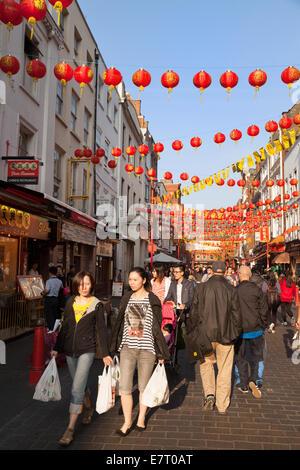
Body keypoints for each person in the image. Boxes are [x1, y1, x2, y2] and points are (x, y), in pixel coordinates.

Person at [51, 271, 112, 446]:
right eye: (80, 284)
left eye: (87, 283)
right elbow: (65, 327)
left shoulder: (97, 304)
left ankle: (70, 428)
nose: (83, 287)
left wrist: (106, 353)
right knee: (80, 384)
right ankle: (89, 406)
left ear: (91, 284)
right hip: (70, 350)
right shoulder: (70, 302)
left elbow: (101, 330)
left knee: (76, 388)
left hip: (87, 350)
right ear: (76, 285)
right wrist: (56, 348)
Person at [110, 267, 170, 436]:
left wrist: (160, 353)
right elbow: (120, 323)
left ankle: (141, 417)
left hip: (147, 349)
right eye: (130, 279)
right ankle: (127, 421)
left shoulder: (153, 299)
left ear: (144, 280)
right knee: (125, 387)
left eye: (135, 279)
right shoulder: (126, 298)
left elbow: (157, 328)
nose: (132, 283)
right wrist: (114, 345)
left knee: (143, 386)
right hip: (128, 348)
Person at [188, 260, 242, 414]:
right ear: (225, 272)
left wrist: (193, 330)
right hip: (226, 335)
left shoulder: (201, 287)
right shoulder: (231, 290)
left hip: (205, 335)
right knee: (225, 369)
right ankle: (222, 404)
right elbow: (237, 316)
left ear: (211, 271)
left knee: (206, 366)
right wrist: (236, 333)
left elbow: (193, 313)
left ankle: (209, 394)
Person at [235, 266, 268, 399]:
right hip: (256, 330)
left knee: (240, 358)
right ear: (249, 275)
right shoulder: (257, 290)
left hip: (240, 331)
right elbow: (263, 310)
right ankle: (255, 379)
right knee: (256, 357)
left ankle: (243, 383)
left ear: (239, 275)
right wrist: (262, 324)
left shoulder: (235, 291)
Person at [42, 266, 63, 331]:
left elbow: (47, 291)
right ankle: (55, 330)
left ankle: (51, 330)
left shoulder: (49, 281)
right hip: (56, 300)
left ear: (50, 273)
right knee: (55, 315)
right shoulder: (59, 281)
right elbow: (61, 288)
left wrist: (42, 293)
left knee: (49, 315)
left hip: (49, 300)